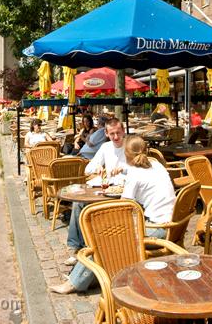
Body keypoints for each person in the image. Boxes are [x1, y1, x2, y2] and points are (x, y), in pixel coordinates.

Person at [50, 135, 176, 294]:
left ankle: (75, 283)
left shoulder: (135, 175)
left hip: (157, 229)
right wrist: (123, 169)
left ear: (127, 155)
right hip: (171, 224)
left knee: (102, 238)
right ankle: (91, 276)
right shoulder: (157, 165)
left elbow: (123, 208)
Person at [63, 117, 126, 268]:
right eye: (112, 134)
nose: (116, 137)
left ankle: (91, 249)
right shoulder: (105, 147)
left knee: (90, 207)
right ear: (106, 133)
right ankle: (77, 248)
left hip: (125, 192)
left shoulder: (130, 145)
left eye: (118, 133)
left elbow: (140, 167)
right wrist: (96, 168)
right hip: (107, 188)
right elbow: (88, 169)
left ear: (123, 131)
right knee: (78, 203)